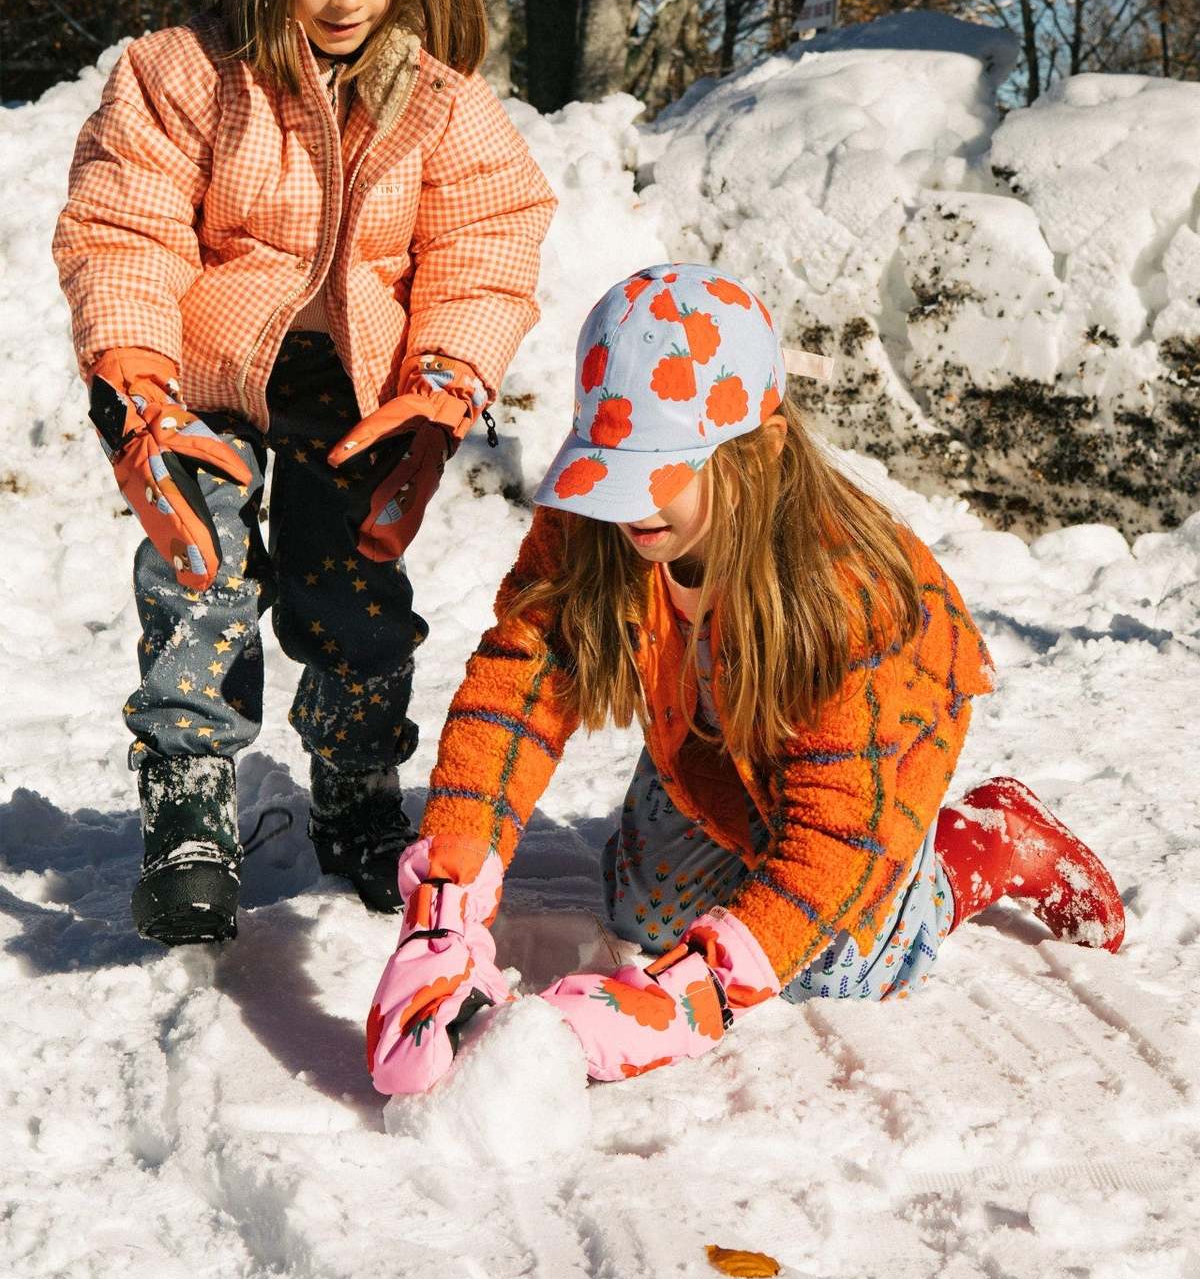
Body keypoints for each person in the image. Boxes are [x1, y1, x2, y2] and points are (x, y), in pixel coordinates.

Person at [364, 262, 1125, 1092]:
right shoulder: (599, 515)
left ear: (757, 454)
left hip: (871, 762)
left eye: (659, 475)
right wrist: (445, 906)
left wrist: (698, 997)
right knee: (645, 920)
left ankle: (986, 840)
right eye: (613, 471)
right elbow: (520, 687)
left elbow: (836, 837)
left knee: (835, 968)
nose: (629, 506)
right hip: (711, 718)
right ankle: (740, 816)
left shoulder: (853, 596)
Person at [52, 0, 556, 946]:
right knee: (198, 572)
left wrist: (445, 377)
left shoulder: (438, 101)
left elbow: (485, 240)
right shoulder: (185, 76)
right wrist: (136, 378)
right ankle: (189, 804)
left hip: (358, 392)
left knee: (355, 594)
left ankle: (358, 785)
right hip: (203, 378)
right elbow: (125, 227)